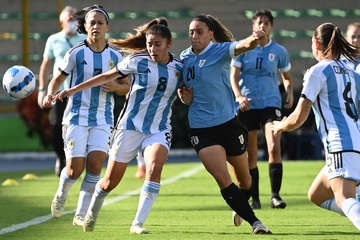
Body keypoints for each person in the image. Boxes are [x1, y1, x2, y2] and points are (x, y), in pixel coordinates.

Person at [55, 17, 183, 234]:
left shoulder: (179, 68)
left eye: (157, 44)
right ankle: (92, 212)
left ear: (169, 44)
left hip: (159, 129)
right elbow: (106, 76)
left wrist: (187, 97)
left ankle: (137, 224)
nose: (152, 49)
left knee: (154, 167)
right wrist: (73, 90)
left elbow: (185, 97)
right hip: (129, 128)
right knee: (108, 183)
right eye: (149, 44)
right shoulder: (137, 60)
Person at [177, 14, 271, 234]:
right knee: (222, 177)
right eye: (191, 31)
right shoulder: (185, 58)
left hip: (228, 124)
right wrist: (185, 99)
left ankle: (239, 206)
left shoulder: (219, 51)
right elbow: (185, 90)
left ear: (210, 34)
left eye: (199, 31)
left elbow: (245, 45)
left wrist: (255, 38)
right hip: (201, 127)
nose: (194, 35)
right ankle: (256, 223)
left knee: (246, 182)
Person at [42, 5, 129, 227]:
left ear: (107, 26)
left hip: (103, 119)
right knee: (74, 170)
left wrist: (116, 88)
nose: (96, 26)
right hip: (76, 117)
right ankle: (62, 193)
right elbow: (58, 79)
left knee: (95, 166)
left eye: (101, 23)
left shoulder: (116, 55)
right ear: (85, 26)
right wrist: (49, 94)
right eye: (92, 23)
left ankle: (80, 213)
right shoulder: (76, 53)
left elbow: (127, 86)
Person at [271, 22, 360, 230]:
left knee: (343, 198)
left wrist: (280, 127)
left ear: (317, 43)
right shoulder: (352, 73)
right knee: (317, 195)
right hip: (354, 142)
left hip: (341, 144)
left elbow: (299, 117)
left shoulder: (318, 71)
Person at [229, 9, 294, 209]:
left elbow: (287, 78)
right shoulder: (245, 48)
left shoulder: (279, 51)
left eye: (266, 23)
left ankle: (275, 196)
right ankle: (254, 198)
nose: (262, 26)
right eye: (259, 22)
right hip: (248, 104)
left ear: (271, 27)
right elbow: (233, 76)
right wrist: (239, 96)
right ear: (253, 27)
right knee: (251, 151)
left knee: (274, 146)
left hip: (270, 104)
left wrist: (290, 92)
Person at [37, 6, 86, 176]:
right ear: (62, 22)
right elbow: (46, 65)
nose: (73, 22)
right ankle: (60, 157)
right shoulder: (53, 40)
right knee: (57, 126)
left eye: (75, 19)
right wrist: (43, 89)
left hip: (80, 91)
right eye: (69, 19)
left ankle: (77, 160)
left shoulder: (85, 38)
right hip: (59, 92)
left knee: (80, 127)